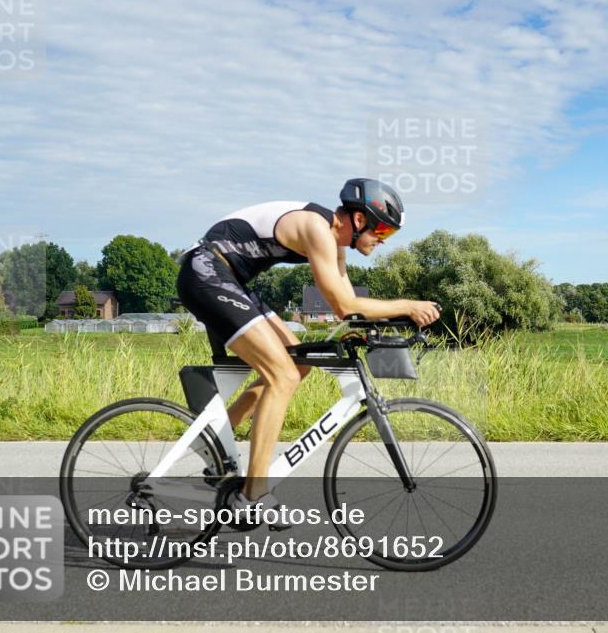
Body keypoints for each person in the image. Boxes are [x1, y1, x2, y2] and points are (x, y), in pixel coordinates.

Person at [175, 178, 440, 525]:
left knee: (298, 365)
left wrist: (379, 326)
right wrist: (407, 305)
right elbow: (345, 306)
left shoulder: (335, 245)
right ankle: (253, 495)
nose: (383, 241)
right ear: (360, 220)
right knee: (282, 375)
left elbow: (350, 309)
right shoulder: (317, 228)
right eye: (383, 231)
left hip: (229, 280)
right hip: (206, 273)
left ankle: (213, 444)